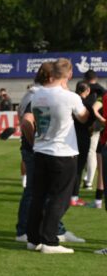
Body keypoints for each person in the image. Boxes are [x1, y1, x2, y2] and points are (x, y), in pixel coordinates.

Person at [22, 58, 88, 254]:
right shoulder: (70, 97)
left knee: (38, 197)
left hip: (41, 150)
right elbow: (83, 117)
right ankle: (50, 241)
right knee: (60, 198)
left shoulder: (36, 94)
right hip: (63, 152)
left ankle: (33, 239)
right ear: (67, 75)